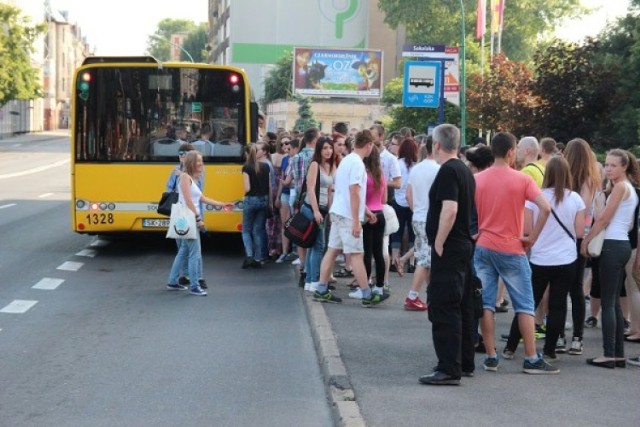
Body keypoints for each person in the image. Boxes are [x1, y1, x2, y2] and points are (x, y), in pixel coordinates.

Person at [474, 132, 559, 374]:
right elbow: (546, 208)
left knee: (487, 303)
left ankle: (491, 355)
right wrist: (532, 238)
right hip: (512, 247)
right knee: (524, 305)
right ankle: (531, 358)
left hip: (484, 245)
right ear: (511, 152)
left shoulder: (478, 179)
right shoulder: (522, 180)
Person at [502, 156, 585, 360]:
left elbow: (528, 229)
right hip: (566, 258)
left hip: (540, 258)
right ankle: (549, 350)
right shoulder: (575, 199)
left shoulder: (536, 198)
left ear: (547, 174)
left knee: (527, 304)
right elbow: (580, 231)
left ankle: (510, 346)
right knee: (558, 305)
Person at [418, 124, 475, 386]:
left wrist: (439, 242)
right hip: (462, 245)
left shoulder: (448, 171)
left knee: (444, 305)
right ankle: (462, 360)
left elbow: (450, 209)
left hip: (450, 247)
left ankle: (449, 367)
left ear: (437, 145)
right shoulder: (464, 169)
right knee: (462, 304)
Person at [312, 130, 388, 306]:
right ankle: (367, 294)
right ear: (369, 145)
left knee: (332, 250)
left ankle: (322, 289)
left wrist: (366, 210)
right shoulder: (357, 164)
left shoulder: (346, 160)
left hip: (338, 211)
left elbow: (346, 190)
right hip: (347, 215)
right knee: (356, 254)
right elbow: (354, 191)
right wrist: (357, 219)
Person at [581, 149, 640, 368]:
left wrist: (586, 240)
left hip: (612, 246)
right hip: (622, 244)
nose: (608, 169)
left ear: (624, 166)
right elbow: (631, 224)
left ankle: (609, 354)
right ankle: (616, 354)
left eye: (613, 165)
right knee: (613, 301)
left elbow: (604, 219)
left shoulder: (620, 188)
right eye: (606, 165)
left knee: (608, 302)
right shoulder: (630, 190)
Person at [166, 151, 233, 296]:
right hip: (188, 218)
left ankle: (172, 281)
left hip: (188, 217)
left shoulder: (190, 179)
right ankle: (195, 286)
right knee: (195, 253)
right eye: (198, 161)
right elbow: (189, 201)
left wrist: (222, 204)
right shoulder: (185, 178)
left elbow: (202, 198)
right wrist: (198, 219)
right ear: (191, 163)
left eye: (201, 161)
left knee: (184, 251)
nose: (201, 164)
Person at [563, 138, 602, 354]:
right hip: (581, 237)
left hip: (565, 237)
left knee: (561, 287)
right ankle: (577, 337)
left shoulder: (566, 178)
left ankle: (560, 334)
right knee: (576, 288)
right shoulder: (592, 180)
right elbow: (587, 209)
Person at [404, 138, 439, 311]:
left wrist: (416, 209)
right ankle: (412, 295)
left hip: (417, 216)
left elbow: (408, 194)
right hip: (430, 218)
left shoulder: (416, 168)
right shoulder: (438, 170)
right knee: (425, 260)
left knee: (425, 257)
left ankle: (432, 294)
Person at [166, 142, 205, 289]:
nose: (181, 157)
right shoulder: (176, 171)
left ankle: (194, 278)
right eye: (180, 154)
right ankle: (189, 279)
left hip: (192, 213)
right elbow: (170, 188)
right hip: (182, 213)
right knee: (185, 248)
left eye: (184, 154)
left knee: (189, 249)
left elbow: (198, 193)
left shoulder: (196, 172)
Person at [302, 137, 336, 292]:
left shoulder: (330, 165)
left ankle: (310, 281)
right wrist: (316, 211)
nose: (328, 151)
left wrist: (329, 212)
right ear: (319, 150)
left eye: (330, 148)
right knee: (318, 245)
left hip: (322, 210)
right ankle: (314, 281)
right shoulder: (314, 164)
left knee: (313, 246)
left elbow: (329, 191)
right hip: (311, 208)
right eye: (325, 148)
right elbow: (310, 188)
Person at [354, 146, 387, 299]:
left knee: (366, 253)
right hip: (380, 213)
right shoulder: (381, 174)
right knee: (378, 253)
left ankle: (364, 286)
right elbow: (385, 199)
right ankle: (380, 286)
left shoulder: (363, 175)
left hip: (367, 215)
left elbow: (359, 197)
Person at [241, 144, 272, 269]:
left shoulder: (246, 168)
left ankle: (249, 256)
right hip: (264, 200)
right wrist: (270, 202)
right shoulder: (265, 166)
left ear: (247, 154)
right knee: (258, 230)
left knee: (246, 230)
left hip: (250, 200)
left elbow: (247, 188)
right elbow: (269, 186)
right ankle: (258, 258)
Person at [391, 138, 418, 274]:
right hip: (413, 203)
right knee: (413, 234)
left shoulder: (397, 163)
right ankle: (412, 263)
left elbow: (394, 180)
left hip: (398, 201)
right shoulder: (417, 166)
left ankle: (394, 260)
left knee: (397, 231)